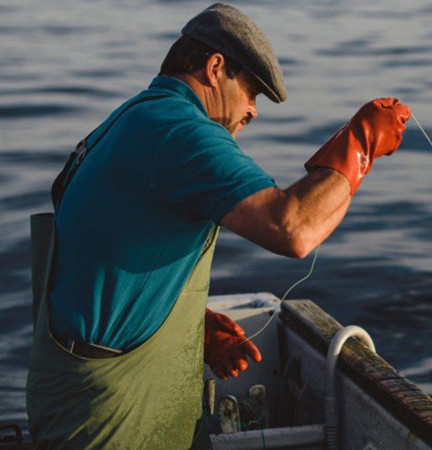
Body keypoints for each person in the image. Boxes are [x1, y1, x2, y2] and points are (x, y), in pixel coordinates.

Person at [25, 3, 411, 448]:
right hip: (110, 412)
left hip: (81, 384)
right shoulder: (177, 129)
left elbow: (102, 257)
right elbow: (294, 229)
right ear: (214, 68)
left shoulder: (131, 120)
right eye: (251, 91)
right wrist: (361, 141)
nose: (253, 111)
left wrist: (187, 327)